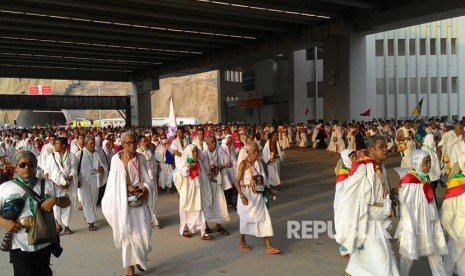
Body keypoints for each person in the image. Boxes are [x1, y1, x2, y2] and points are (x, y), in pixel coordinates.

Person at [335, 135, 399, 276]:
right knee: (383, 265)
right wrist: (348, 231)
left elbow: (382, 192)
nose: (385, 150)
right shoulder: (362, 167)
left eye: (385, 146)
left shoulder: (381, 168)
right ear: (370, 149)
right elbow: (349, 199)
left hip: (378, 224)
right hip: (366, 224)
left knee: (356, 268)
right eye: (380, 147)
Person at [0, 150, 70, 276]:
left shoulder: (48, 184)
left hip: (44, 241)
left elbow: (67, 201)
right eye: (22, 164)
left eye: (31, 164)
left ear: (36, 166)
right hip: (19, 242)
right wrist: (4, 222)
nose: (27, 167)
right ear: (16, 166)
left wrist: (56, 200)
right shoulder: (5, 188)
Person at [102, 131, 155, 276]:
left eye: (134, 142)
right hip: (124, 203)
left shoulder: (141, 158)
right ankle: (130, 267)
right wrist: (126, 188)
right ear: (123, 144)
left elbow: (146, 179)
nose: (132, 145)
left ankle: (140, 258)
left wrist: (144, 190)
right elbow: (113, 183)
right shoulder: (116, 160)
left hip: (140, 200)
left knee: (144, 234)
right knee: (128, 234)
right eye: (129, 143)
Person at [397, 149, 447, 276]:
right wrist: (409, 224)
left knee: (434, 251)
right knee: (409, 253)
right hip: (415, 222)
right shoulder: (410, 180)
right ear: (417, 163)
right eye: (425, 162)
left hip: (429, 220)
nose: (429, 165)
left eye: (429, 162)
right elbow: (405, 204)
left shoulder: (425, 178)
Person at [234, 141, 280, 254]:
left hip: (258, 197)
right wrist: (242, 196)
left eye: (256, 150)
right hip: (247, 196)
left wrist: (269, 191)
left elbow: (262, 180)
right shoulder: (243, 164)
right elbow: (236, 182)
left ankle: (268, 245)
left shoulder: (258, 163)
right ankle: (242, 241)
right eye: (253, 151)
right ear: (248, 152)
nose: (255, 153)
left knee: (265, 218)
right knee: (245, 220)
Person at [172, 144, 214, 240]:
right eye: (193, 151)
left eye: (196, 151)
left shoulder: (198, 162)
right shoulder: (184, 161)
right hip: (187, 191)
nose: (195, 153)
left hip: (197, 190)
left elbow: (203, 176)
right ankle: (184, 229)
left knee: (199, 209)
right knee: (185, 210)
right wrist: (187, 168)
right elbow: (176, 176)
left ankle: (203, 232)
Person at [44, 137, 77, 235]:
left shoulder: (71, 156)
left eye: (57, 143)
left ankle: (67, 226)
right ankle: (58, 225)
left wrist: (67, 182)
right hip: (54, 185)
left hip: (67, 185)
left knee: (67, 204)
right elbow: (47, 169)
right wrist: (47, 180)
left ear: (63, 145)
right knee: (55, 206)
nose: (55, 145)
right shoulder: (51, 156)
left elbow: (73, 170)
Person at [75, 135, 106, 231]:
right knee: (87, 201)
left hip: (94, 180)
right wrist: (77, 181)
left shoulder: (97, 154)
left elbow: (103, 166)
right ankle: (91, 222)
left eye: (94, 143)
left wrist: (102, 169)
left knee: (94, 200)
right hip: (83, 181)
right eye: (91, 144)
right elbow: (74, 169)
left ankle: (88, 215)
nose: (93, 145)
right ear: (85, 144)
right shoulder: (79, 154)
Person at [441, 153, 465, 275]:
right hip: (458, 223)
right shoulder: (457, 183)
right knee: (453, 251)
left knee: (460, 254)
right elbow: (447, 206)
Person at [202, 136, 230, 235]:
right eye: (212, 142)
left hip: (217, 182)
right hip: (207, 183)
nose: (214, 143)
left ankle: (218, 226)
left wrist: (220, 167)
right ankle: (205, 226)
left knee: (220, 203)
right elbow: (201, 168)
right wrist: (209, 169)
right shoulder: (203, 154)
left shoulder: (219, 153)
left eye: (215, 141)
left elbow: (223, 164)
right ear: (207, 144)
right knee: (207, 204)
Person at [136, 135, 160, 228]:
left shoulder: (150, 152)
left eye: (146, 141)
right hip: (143, 181)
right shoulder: (137, 153)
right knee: (145, 200)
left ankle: (154, 219)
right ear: (139, 143)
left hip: (152, 179)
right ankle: (148, 220)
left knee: (153, 199)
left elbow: (154, 166)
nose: (146, 143)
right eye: (144, 141)